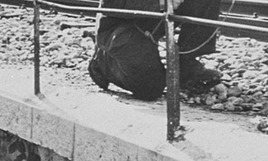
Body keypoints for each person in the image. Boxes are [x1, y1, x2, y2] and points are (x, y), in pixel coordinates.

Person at [88, 0, 223, 100]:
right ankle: (103, 63)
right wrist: (161, 3)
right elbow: (113, 4)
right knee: (151, 90)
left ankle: (186, 63)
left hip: (153, 16)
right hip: (120, 27)